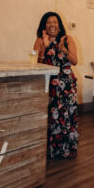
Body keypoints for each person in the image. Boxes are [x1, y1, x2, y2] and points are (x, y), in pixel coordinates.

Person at [34, 12, 78, 159]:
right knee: (51, 118)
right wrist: (44, 47)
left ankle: (66, 149)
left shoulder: (67, 39)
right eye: (48, 22)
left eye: (54, 22)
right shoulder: (40, 40)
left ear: (59, 25)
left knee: (66, 117)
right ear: (44, 25)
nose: (51, 25)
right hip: (50, 84)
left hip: (67, 85)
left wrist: (63, 49)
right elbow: (36, 65)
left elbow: (75, 61)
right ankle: (50, 150)